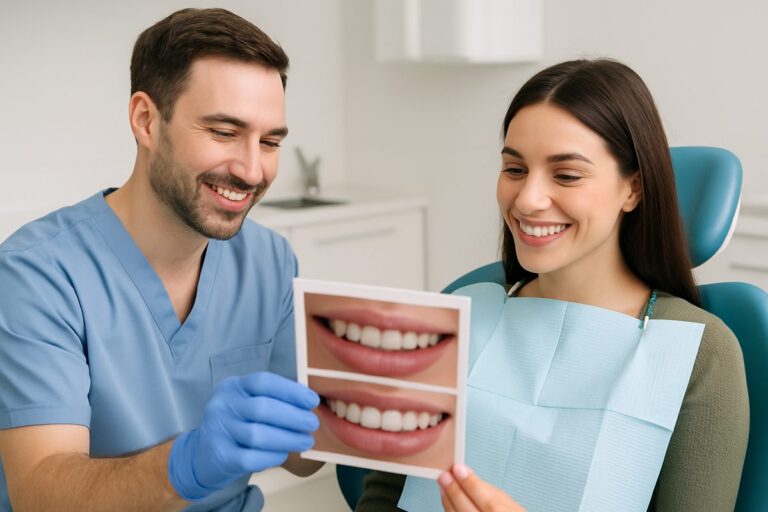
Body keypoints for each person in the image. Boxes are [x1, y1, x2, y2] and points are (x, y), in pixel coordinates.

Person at [356, 59, 749, 511]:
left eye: (566, 175)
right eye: (515, 169)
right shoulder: (457, 312)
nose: (527, 200)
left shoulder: (700, 353)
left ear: (633, 189)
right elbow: (385, 495)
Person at [0, 8, 324, 511]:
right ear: (146, 120)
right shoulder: (37, 275)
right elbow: (40, 494)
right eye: (223, 132)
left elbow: (302, 457)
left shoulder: (270, 260)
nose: (251, 169)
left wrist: (355, 413)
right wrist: (186, 464)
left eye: (271, 141)